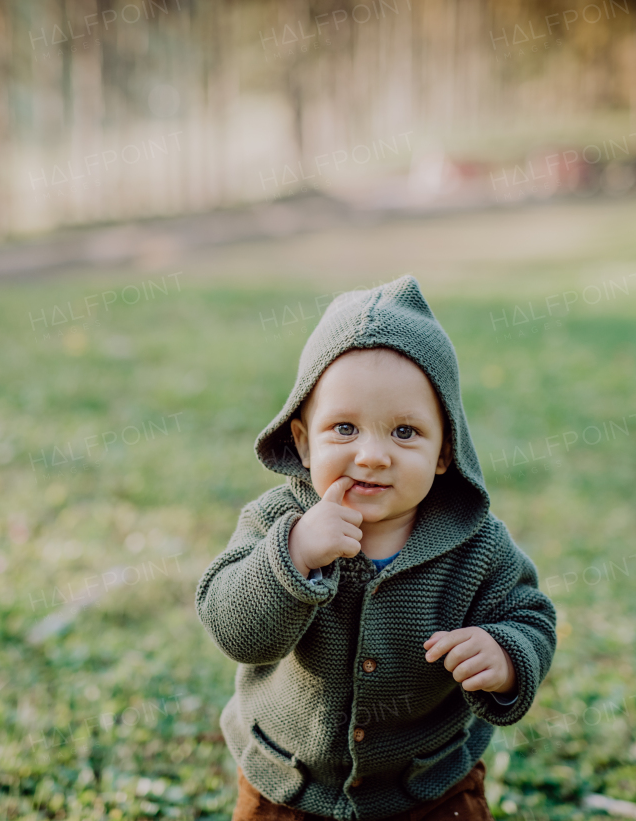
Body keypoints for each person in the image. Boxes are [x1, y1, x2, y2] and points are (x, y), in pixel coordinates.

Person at [196, 275, 557, 821]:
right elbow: (235, 630)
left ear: (445, 451)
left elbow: (532, 616)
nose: (371, 455)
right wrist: (290, 557)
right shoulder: (277, 523)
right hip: (288, 785)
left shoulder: (477, 546)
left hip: (429, 787)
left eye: (405, 432)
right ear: (302, 440)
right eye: (344, 428)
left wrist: (506, 654)